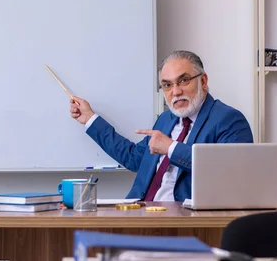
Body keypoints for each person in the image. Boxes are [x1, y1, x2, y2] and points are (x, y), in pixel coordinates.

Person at [70, 50, 253, 202]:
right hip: (138, 213)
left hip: (183, 221)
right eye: (167, 85)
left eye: (183, 81)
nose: (175, 91)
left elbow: (229, 172)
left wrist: (171, 148)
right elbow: (134, 158)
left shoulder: (229, 120)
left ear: (203, 81)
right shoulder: (166, 119)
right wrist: (89, 119)